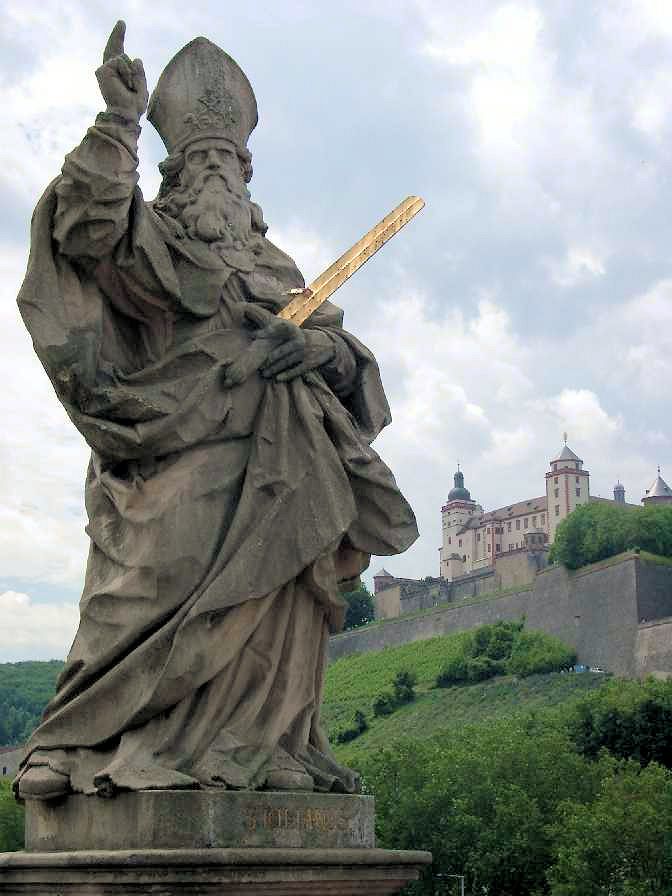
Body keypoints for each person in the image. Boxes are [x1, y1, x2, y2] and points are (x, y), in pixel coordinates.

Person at [15, 22, 417, 802]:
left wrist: (320, 354)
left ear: (248, 178)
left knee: (277, 610)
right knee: (143, 585)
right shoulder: (154, 244)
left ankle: (263, 747)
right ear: (171, 173)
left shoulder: (278, 267)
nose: (216, 179)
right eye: (199, 162)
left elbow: (343, 353)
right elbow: (87, 229)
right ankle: (72, 738)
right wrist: (119, 123)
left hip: (286, 463)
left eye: (227, 165)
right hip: (176, 455)